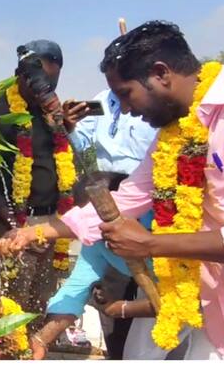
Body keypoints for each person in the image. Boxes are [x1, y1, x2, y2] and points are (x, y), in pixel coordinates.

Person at [0, 20, 224, 360]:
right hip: (211, 305)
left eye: (125, 94)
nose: (126, 110)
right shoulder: (174, 132)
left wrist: (151, 244)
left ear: (161, 73)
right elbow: (130, 195)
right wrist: (35, 232)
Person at [58, 88, 158, 359]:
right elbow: (83, 144)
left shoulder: (156, 105)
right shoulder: (102, 100)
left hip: (145, 193)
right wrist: (70, 127)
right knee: (112, 295)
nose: (127, 108)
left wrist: (123, 308)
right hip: (105, 185)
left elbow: (177, 301)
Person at [0, 39, 65, 334]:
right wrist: (14, 226)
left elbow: (62, 160)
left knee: (41, 303)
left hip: (53, 222)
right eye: (41, 82)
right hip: (13, 223)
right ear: (21, 74)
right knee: (10, 310)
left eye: (52, 83)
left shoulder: (51, 110)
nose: (46, 90)